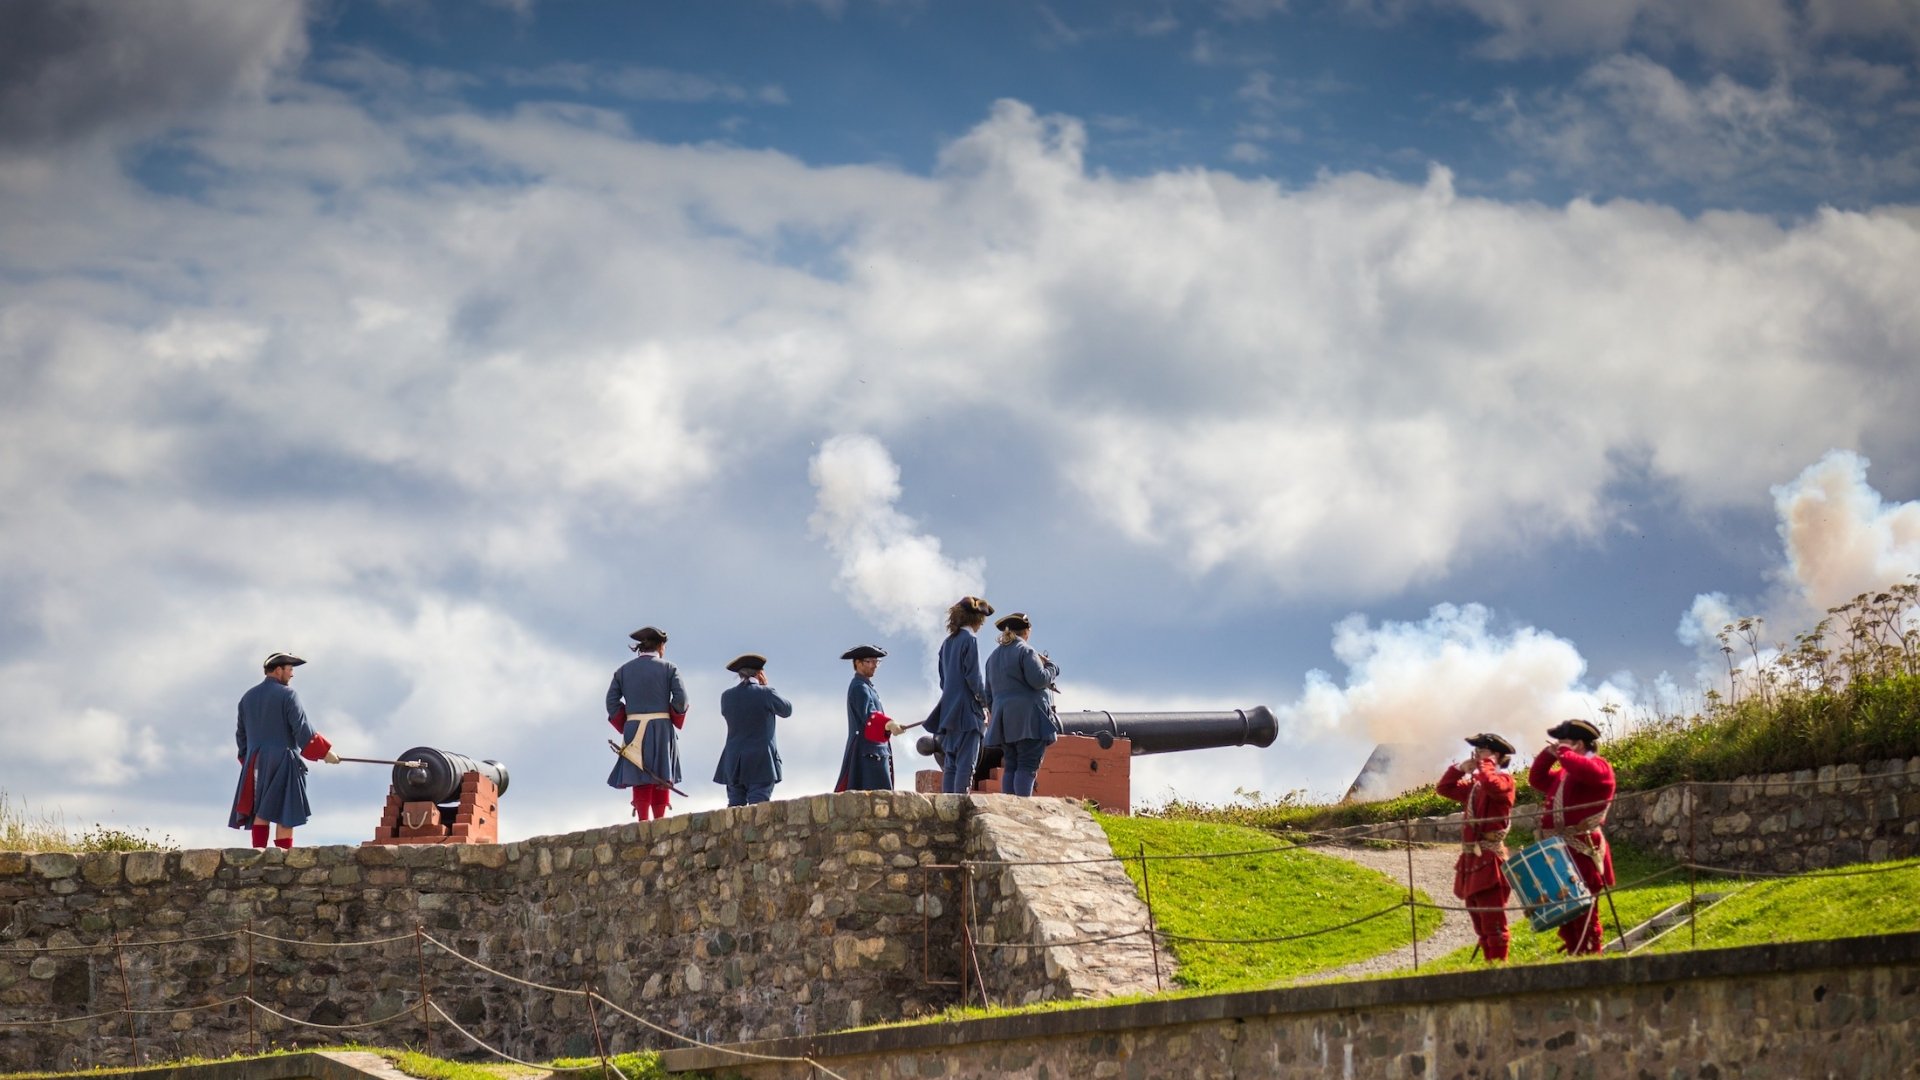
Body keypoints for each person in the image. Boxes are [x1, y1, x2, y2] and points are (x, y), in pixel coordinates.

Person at [228, 652, 339, 849]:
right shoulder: (289, 695)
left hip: (254, 763)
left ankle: (258, 856)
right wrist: (324, 753)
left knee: (261, 812)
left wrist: (248, 761)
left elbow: (241, 737)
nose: (292, 675)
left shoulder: (247, 698)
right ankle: (284, 859)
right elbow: (302, 728)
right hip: (283, 760)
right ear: (278, 670)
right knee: (286, 812)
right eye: (290, 670)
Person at [1528, 717, 1617, 955]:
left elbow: (1584, 770)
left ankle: (1590, 957)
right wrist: (1548, 755)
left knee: (1586, 913)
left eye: (1564, 742)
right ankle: (1575, 954)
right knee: (1566, 912)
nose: (1559, 748)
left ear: (1580, 744)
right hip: (1561, 850)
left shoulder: (1599, 767)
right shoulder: (1564, 773)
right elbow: (1536, 779)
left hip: (1582, 849)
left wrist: (1566, 753)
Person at [1437, 733, 1517, 962]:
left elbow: (1493, 785)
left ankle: (1498, 967)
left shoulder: (1505, 782)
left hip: (1490, 857)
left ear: (1497, 756)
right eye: (1477, 752)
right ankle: (1489, 967)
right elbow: (1445, 788)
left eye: (1482, 752)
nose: (1477, 756)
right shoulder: (1475, 786)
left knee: (1494, 923)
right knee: (1480, 922)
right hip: (1472, 858)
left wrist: (1488, 764)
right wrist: (1461, 768)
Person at [606, 626, 689, 821]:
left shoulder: (622, 671)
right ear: (661, 646)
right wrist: (671, 716)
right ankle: (660, 821)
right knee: (662, 774)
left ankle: (643, 821)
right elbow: (681, 700)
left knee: (638, 773)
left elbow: (611, 702)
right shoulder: (670, 668)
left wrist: (625, 723)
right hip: (661, 727)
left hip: (633, 728)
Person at [984, 613, 1059, 797]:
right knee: (1027, 764)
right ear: (1026, 632)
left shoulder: (992, 658)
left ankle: (1009, 809)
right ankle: (1023, 809)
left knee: (1011, 764)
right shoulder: (1026, 651)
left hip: (1004, 721)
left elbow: (989, 695)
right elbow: (1038, 680)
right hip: (1030, 720)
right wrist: (1052, 668)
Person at [929, 596, 994, 794]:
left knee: (951, 764)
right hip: (967, 712)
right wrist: (986, 704)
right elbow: (974, 678)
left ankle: (948, 805)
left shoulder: (947, 643)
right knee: (967, 763)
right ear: (976, 619)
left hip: (949, 710)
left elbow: (943, 680)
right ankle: (960, 806)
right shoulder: (970, 640)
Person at [713, 653, 790, 806]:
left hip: (734, 761)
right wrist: (765, 687)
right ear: (760, 673)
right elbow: (787, 710)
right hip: (761, 761)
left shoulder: (726, 696)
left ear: (740, 675)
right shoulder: (766, 693)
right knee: (759, 806)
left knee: (735, 806)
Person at [835, 645, 900, 791]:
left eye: (876, 662)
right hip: (866, 753)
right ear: (857, 663)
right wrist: (889, 723)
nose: (874, 665)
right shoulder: (859, 687)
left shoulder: (867, 687)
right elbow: (869, 716)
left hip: (875, 751)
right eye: (869, 661)